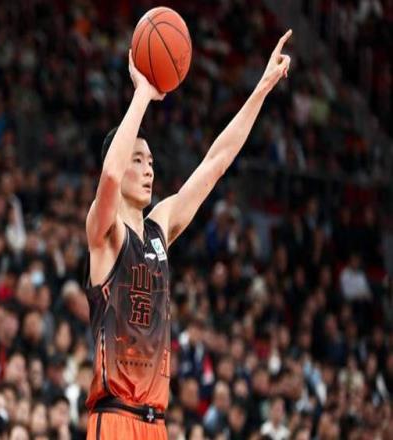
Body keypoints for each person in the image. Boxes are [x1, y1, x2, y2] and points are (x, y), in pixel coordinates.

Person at [84, 25, 293, 440]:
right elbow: (109, 173)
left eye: (151, 161)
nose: (149, 169)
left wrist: (262, 89)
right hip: (115, 418)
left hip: (156, 422)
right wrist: (143, 93)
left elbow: (216, 163)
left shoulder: (159, 225)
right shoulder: (105, 232)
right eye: (138, 160)